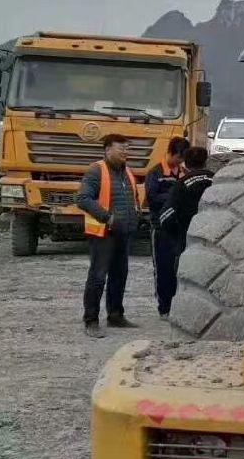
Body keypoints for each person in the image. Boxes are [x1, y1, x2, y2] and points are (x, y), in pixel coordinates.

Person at [77, 133, 141, 335]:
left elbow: (133, 198)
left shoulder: (127, 171)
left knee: (119, 275)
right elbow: (83, 199)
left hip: (124, 232)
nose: (125, 152)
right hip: (104, 232)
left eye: (127, 148)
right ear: (107, 150)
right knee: (98, 276)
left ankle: (115, 315)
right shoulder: (96, 170)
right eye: (121, 148)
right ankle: (91, 320)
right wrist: (107, 218)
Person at [145, 136, 188, 319]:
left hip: (178, 229)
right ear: (170, 153)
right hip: (160, 228)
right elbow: (151, 197)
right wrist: (174, 197)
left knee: (179, 269)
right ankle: (164, 307)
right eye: (178, 157)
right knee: (163, 269)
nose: (179, 162)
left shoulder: (184, 173)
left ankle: (176, 306)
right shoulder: (155, 173)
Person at [157, 146, 214, 255]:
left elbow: (166, 216)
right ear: (206, 162)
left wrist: (176, 235)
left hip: (187, 243)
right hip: (213, 242)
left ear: (186, 164)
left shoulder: (182, 184)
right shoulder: (216, 180)